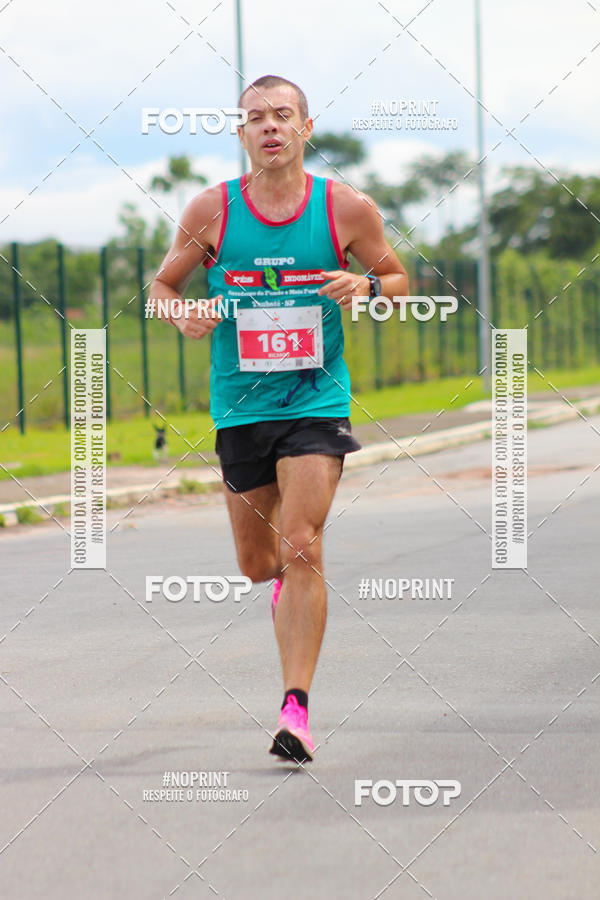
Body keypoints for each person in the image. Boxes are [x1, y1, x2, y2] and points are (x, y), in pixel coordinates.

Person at [150, 74, 408, 762]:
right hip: (241, 405)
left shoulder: (345, 209)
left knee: (302, 544)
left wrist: (370, 284)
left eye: (282, 115)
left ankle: (295, 710)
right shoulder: (213, 211)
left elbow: (400, 280)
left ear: (305, 127)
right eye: (256, 117)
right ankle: (284, 595)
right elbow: (163, 284)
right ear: (241, 134)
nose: (269, 126)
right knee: (259, 564)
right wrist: (184, 315)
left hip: (315, 403)